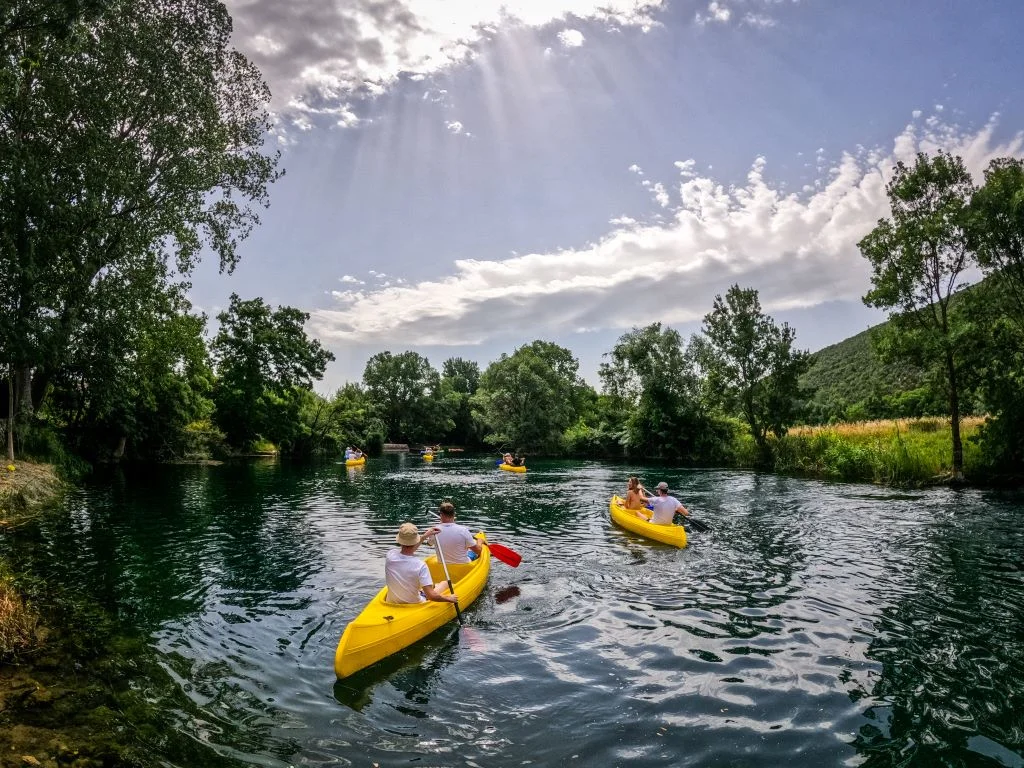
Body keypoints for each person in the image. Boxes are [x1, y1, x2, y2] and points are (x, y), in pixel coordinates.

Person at [385, 523, 459, 605]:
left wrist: (425, 536)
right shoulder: (420, 565)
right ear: (415, 540)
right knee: (445, 583)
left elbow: (408, 549)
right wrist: (449, 598)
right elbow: (431, 596)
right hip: (415, 603)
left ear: (400, 540)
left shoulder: (390, 556)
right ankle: (437, 586)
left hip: (391, 602)